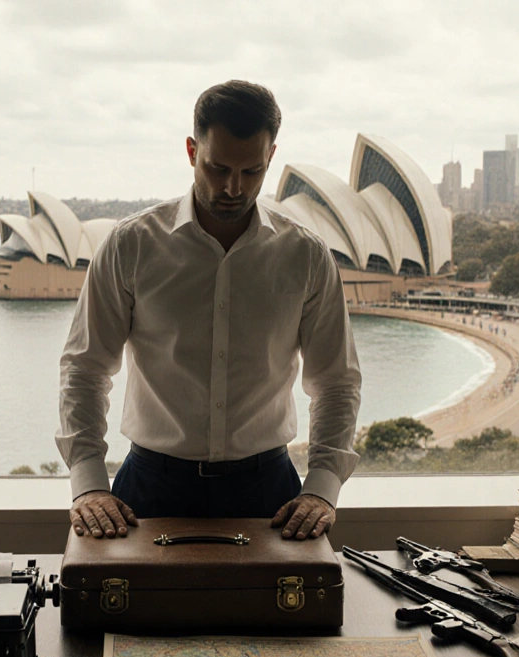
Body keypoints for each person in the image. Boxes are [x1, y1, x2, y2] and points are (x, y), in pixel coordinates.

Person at [56, 80, 362, 542]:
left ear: (271, 158)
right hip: (149, 489)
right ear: (191, 149)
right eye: (217, 167)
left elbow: (336, 381)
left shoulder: (306, 256)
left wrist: (322, 487)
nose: (233, 187)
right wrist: (88, 484)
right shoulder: (131, 245)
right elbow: (85, 368)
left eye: (251, 171)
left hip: (269, 491)